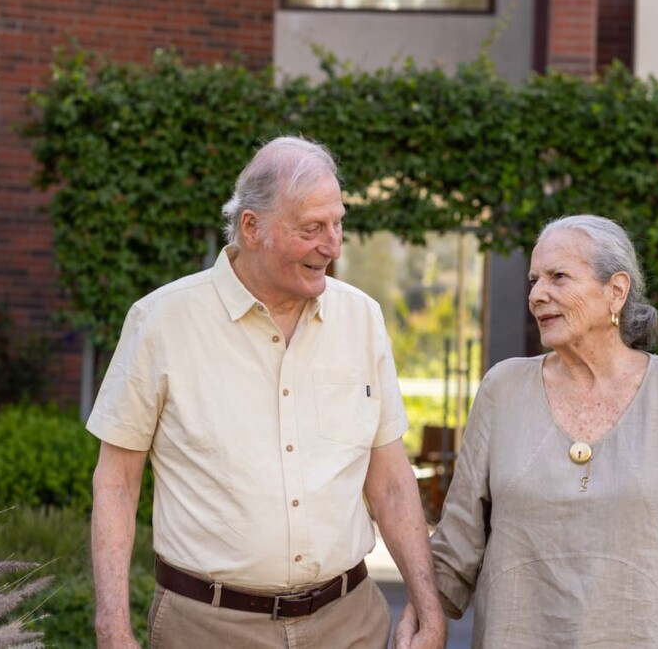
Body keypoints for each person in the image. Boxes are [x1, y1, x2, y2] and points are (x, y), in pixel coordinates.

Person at [88, 136, 446, 649]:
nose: (333, 244)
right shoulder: (160, 322)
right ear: (252, 228)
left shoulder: (361, 318)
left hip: (350, 623)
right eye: (312, 229)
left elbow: (389, 481)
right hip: (208, 629)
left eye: (338, 223)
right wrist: (112, 628)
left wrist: (427, 606)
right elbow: (117, 484)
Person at [400, 215, 658, 648]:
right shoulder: (503, 388)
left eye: (558, 277)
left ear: (616, 291)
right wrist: (422, 618)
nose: (537, 295)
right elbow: (457, 540)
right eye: (533, 280)